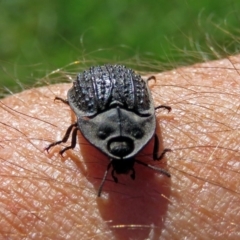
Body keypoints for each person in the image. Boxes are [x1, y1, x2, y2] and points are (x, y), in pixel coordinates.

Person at [0, 55, 239, 239]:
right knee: (77, 128)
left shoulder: (123, 122)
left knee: (77, 128)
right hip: (119, 87)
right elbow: (81, 127)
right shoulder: (140, 122)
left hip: (104, 89)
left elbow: (79, 127)